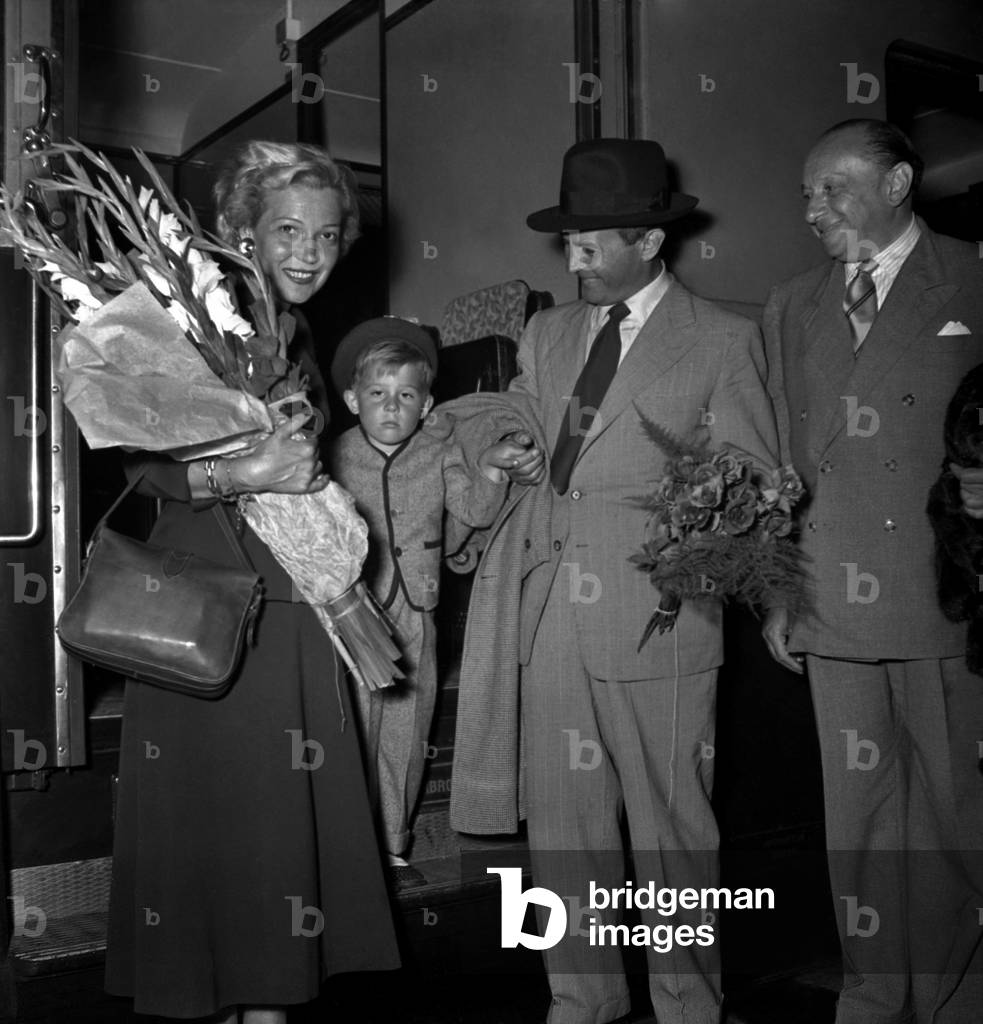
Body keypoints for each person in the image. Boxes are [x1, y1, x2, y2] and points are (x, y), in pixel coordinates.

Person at [463, 138, 780, 1024]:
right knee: (563, 829)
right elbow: (517, 414)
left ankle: (686, 1006)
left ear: (648, 240)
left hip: (658, 620)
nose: (573, 261)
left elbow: (754, 477)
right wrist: (506, 445)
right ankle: (582, 999)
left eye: (589, 244)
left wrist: (691, 554)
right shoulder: (548, 332)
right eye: (567, 243)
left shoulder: (722, 338)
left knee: (671, 831)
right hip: (549, 612)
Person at [105, 142, 400, 1023]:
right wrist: (241, 474)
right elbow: (135, 465)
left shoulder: (296, 334)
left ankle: (267, 1005)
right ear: (242, 232)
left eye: (327, 234)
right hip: (200, 594)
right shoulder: (186, 315)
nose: (310, 251)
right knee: (215, 818)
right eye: (288, 231)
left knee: (273, 825)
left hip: (287, 602)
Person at [762, 118, 983, 1024]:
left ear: (896, 184)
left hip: (944, 593)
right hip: (830, 597)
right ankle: (871, 995)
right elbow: (782, 462)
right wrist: (779, 590)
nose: (814, 208)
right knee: (857, 822)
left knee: (955, 817)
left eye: (833, 188)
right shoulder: (791, 305)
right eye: (807, 193)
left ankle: (953, 999)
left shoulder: (969, 274)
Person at [328, 317, 510, 886]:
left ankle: (392, 845)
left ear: (426, 404)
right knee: (354, 726)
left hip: (417, 608)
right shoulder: (333, 454)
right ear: (352, 400)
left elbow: (473, 512)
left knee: (407, 732)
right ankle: (345, 845)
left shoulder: (438, 449)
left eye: (406, 396)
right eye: (377, 394)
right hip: (353, 607)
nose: (391, 407)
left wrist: (490, 468)